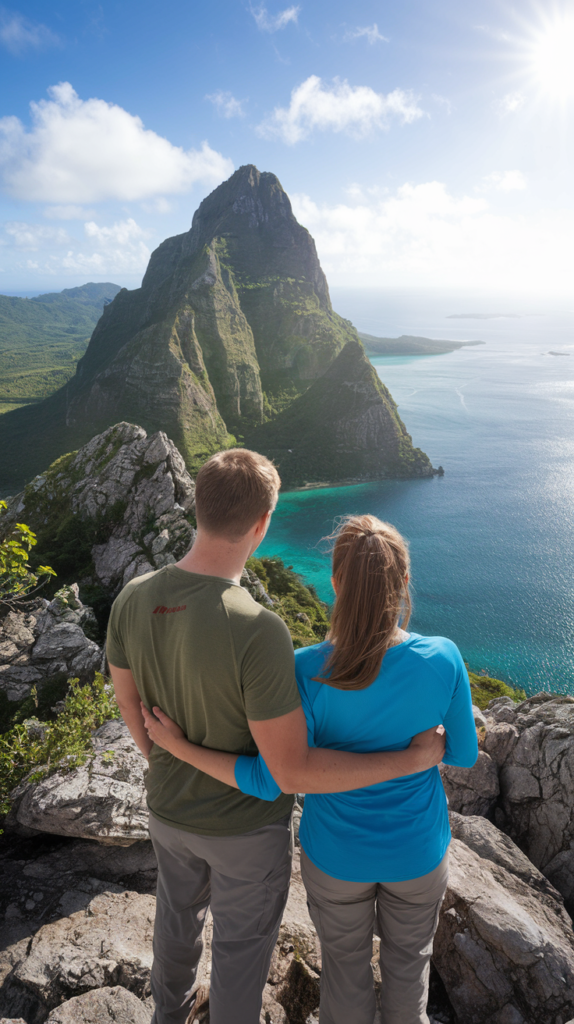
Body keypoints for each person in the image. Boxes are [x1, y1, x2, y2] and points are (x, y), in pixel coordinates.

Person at [107, 454, 446, 1024]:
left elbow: (128, 703)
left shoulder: (134, 596)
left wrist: (166, 758)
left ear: (197, 506)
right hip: (245, 827)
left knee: (175, 925)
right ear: (263, 524)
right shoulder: (259, 629)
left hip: (168, 809)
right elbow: (289, 768)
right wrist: (413, 758)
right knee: (239, 955)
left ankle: (168, 1015)